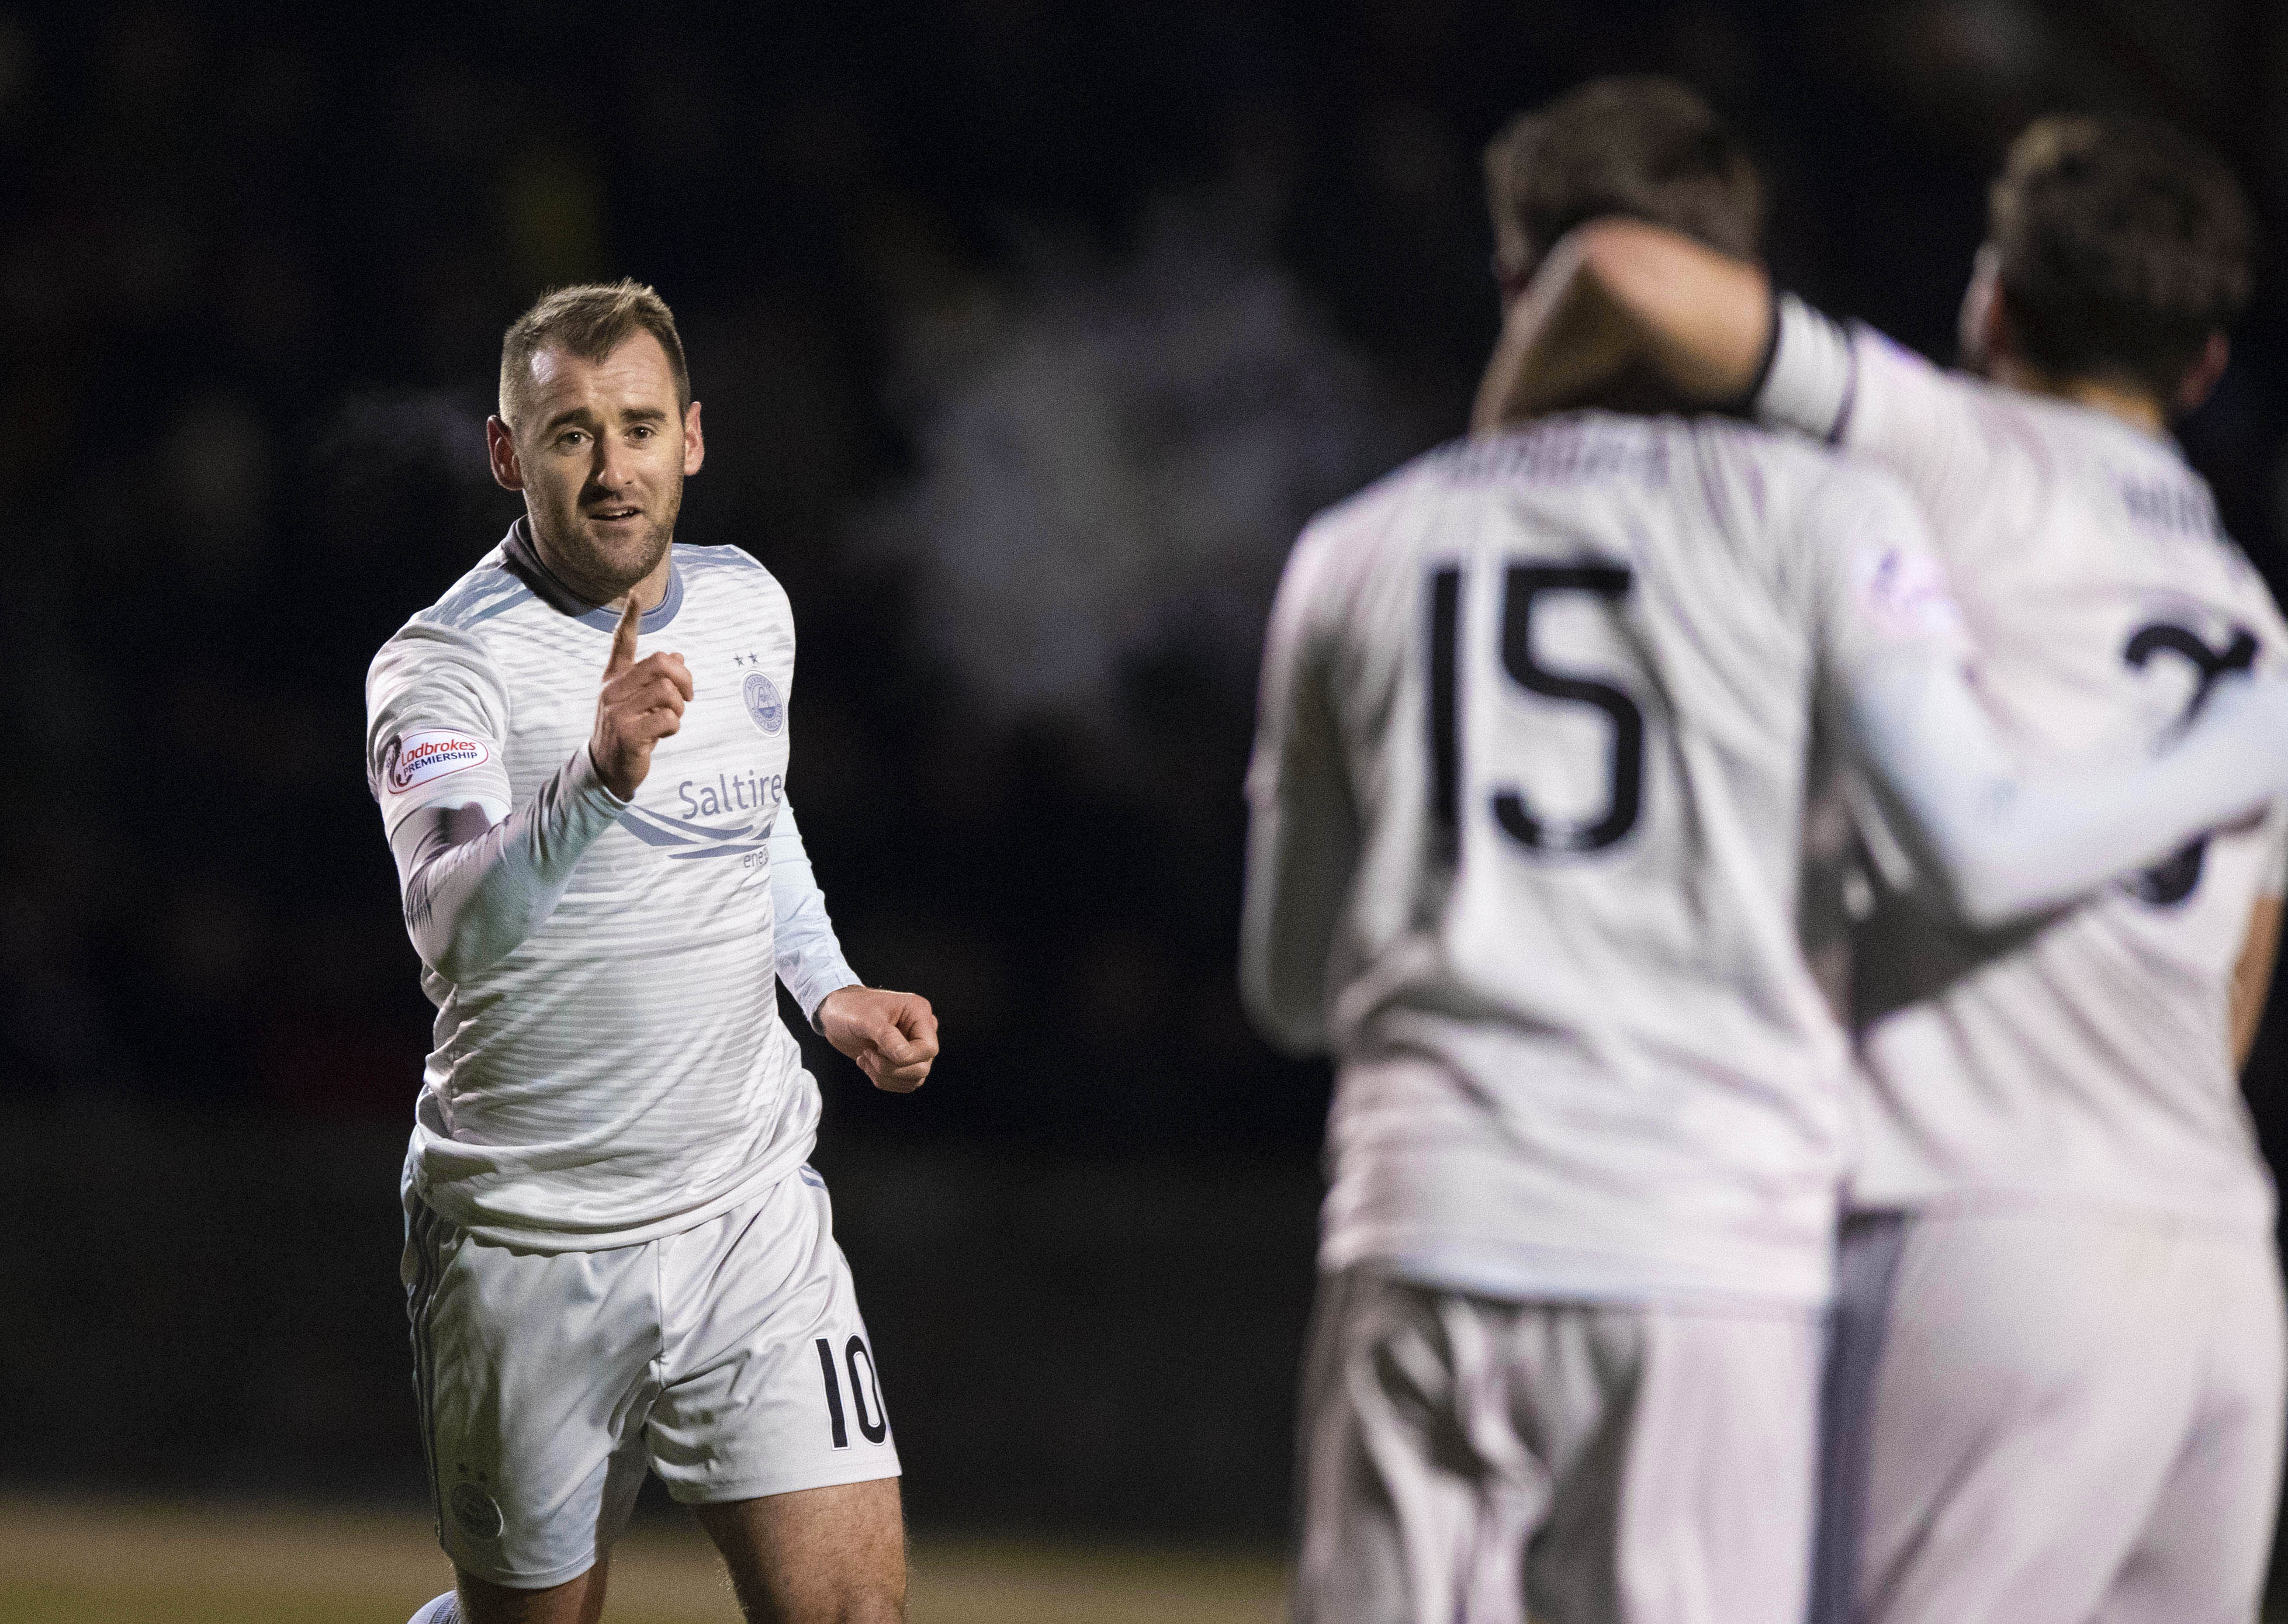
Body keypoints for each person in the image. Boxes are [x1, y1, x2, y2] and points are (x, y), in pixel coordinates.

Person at [1242, 80, 2288, 1624]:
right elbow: (2227, 982)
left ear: (1990, 302)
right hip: (2189, 1243)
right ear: (2204, 365)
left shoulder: (1918, 460)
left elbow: (1293, 984)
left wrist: (1492, 458)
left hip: (1897, 1216)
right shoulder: (2232, 606)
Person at [365, 280, 937, 1624]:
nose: (611, 467)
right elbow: (452, 921)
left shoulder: (749, 608)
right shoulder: (444, 667)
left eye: (636, 426)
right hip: (527, 1238)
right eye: (569, 433)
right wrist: (596, 775)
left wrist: (830, 984)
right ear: (508, 455)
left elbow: (755, 813)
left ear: (691, 437)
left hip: (748, 1211)